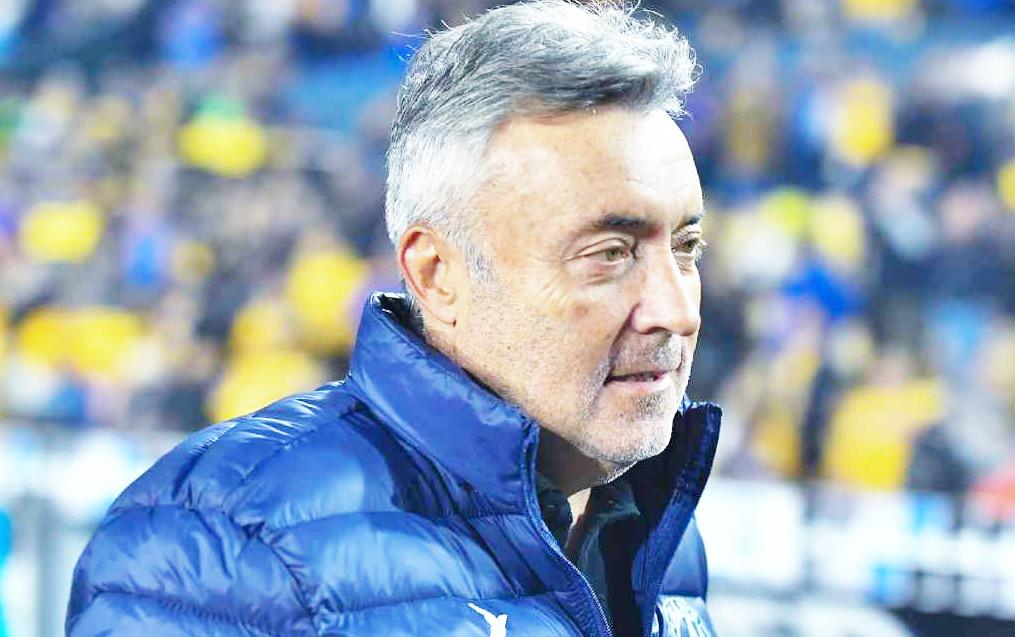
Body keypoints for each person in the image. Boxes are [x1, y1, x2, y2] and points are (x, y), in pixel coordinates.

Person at [66, 1, 722, 635]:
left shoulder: (652, 525)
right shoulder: (229, 543)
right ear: (437, 274)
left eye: (685, 247)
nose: (677, 310)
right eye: (610, 254)